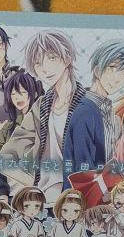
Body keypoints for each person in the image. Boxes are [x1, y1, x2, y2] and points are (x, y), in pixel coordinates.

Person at [24, 30, 106, 202]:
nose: (45, 68)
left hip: (72, 198)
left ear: (67, 58)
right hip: (42, 196)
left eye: (52, 58)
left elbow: (94, 161)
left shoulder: (87, 108)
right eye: (38, 63)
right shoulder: (42, 105)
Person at [86, 39, 124, 160]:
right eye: (112, 67)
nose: (118, 78)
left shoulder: (115, 120)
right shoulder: (77, 108)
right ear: (97, 69)